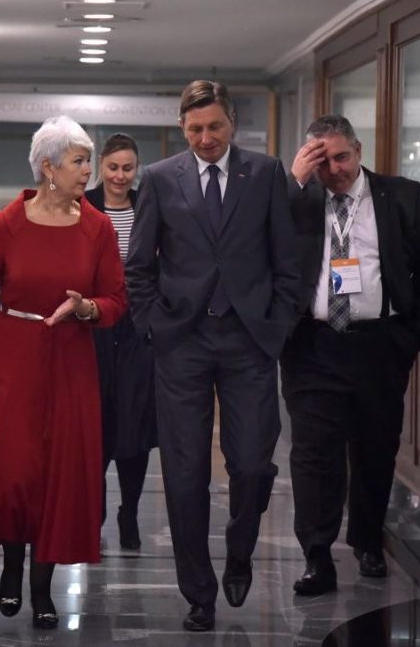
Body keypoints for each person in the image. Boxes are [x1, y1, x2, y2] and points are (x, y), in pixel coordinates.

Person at [0, 115, 126, 629]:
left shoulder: (98, 227)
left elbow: (116, 299)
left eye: (88, 161)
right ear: (48, 168)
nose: (88, 171)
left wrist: (87, 309)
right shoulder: (8, 223)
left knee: (60, 471)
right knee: (16, 469)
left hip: (73, 358)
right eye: (79, 161)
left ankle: (42, 587)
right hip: (14, 357)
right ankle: (12, 565)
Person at [126, 79, 300, 631]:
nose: (206, 138)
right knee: (184, 474)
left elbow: (288, 260)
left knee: (251, 463)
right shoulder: (159, 178)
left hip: (249, 341)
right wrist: (155, 327)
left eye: (215, 126)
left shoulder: (265, 173)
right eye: (196, 129)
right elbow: (139, 265)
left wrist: (277, 326)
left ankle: (240, 551)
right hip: (183, 342)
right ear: (182, 128)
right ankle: (198, 592)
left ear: (232, 124)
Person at [281, 115, 420, 596]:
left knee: (375, 448)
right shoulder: (296, 201)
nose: (334, 170)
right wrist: (294, 183)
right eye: (322, 162)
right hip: (312, 345)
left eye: (342, 157)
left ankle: (367, 541)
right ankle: (317, 557)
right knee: (314, 454)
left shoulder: (402, 197)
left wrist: (408, 336)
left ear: (359, 151)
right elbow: (255, 237)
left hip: (379, 345)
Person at [85, 133, 156, 550]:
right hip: (93, 324)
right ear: (101, 167)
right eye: (113, 167)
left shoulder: (148, 204)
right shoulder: (84, 205)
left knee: (135, 426)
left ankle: (129, 511)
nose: (120, 176)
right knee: (95, 425)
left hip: (137, 328)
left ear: (137, 169)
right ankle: (93, 515)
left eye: (128, 168)